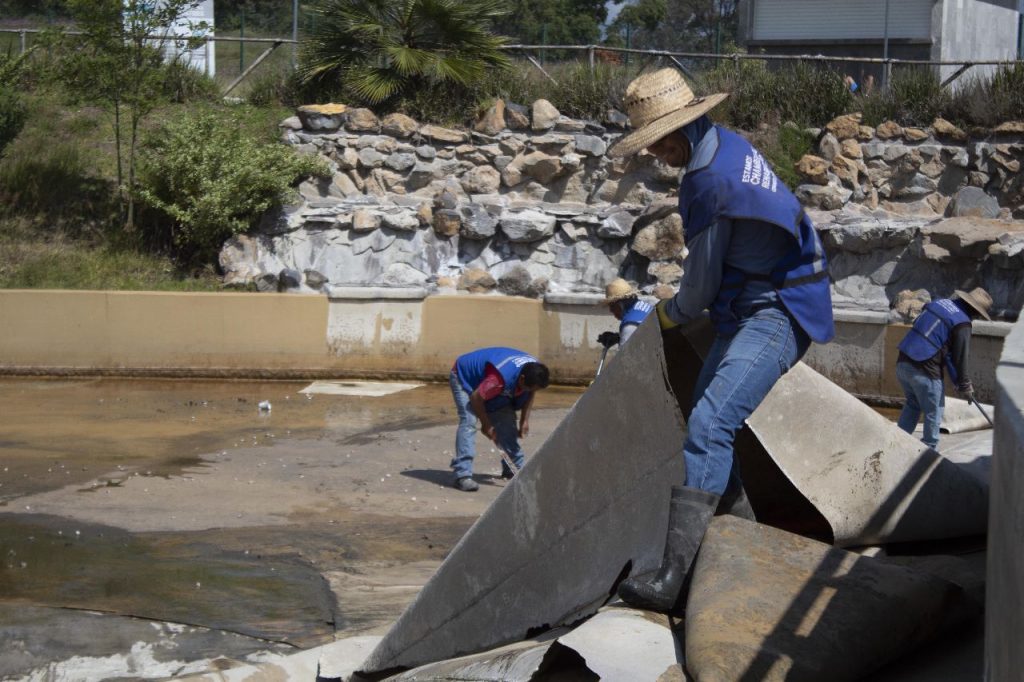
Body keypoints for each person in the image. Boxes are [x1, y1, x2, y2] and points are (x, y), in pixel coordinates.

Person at [607, 68, 835, 613]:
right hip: (752, 305)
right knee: (707, 425)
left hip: (777, 311)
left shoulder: (711, 181)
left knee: (711, 425)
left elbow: (700, 288)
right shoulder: (725, 146)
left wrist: (666, 317)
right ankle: (746, 552)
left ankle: (677, 578)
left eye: (660, 141)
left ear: (685, 127)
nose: (656, 153)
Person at [895, 288, 992, 449]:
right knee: (934, 411)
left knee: (913, 403)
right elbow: (960, 358)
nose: (976, 318)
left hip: (903, 362)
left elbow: (945, 351)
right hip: (925, 370)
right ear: (975, 310)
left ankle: (895, 443)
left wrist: (959, 382)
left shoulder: (939, 303)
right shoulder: (962, 324)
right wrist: (965, 385)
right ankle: (928, 452)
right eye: (978, 315)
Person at [449, 347, 551, 492]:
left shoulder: (535, 371)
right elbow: (476, 398)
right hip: (465, 376)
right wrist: (486, 424)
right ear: (521, 379)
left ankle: (513, 468)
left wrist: (525, 420)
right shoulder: (498, 379)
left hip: (490, 382)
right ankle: (462, 475)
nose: (530, 391)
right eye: (528, 388)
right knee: (469, 421)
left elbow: (531, 392)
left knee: (506, 420)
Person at [597, 278, 654, 350]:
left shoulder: (630, 325)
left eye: (612, 306)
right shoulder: (644, 306)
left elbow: (625, 356)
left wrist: (624, 335)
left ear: (620, 304)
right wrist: (618, 337)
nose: (610, 310)